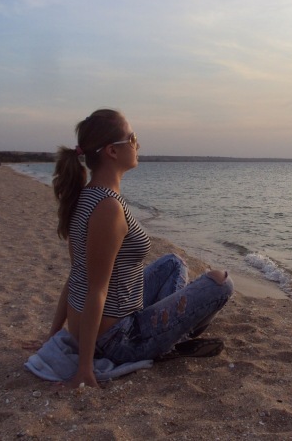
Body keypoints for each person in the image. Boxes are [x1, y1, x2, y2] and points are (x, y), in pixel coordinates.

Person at [49, 109, 233, 388]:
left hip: (106, 323)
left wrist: (52, 336)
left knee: (173, 263)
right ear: (112, 151)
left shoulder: (86, 196)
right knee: (221, 282)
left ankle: (172, 332)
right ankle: (175, 339)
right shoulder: (108, 208)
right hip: (117, 340)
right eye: (133, 139)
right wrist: (85, 367)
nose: (138, 145)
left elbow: (76, 274)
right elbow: (95, 290)